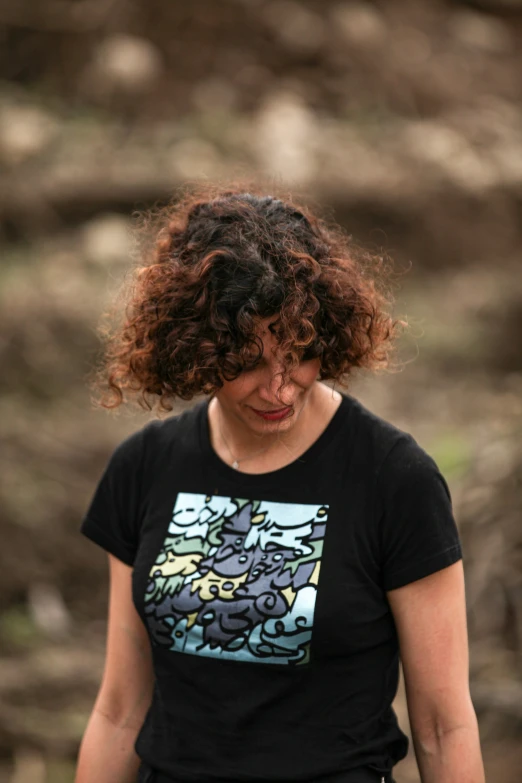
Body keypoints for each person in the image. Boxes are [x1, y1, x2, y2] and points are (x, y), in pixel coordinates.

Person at [75, 183, 485, 783]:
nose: (279, 386)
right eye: (245, 361)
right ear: (195, 350)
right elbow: (119, 712)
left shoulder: (394, 479)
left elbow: (443, 726)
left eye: (299, 352)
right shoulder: (144, 467)